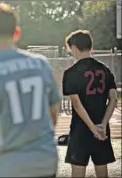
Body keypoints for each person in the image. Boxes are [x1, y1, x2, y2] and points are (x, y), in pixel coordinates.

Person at [0, 2, 61, 177]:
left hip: (10, 163)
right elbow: (53, 113)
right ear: (17, 32)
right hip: (46, 159)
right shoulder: (40, 64)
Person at [62, 30, 118, 177]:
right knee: (102, 170)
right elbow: (114, 99)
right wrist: (103, 125)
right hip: (102, 129)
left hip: (80, 129)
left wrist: (92, 128)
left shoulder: (71, 72)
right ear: (90, 46)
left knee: (78, 171)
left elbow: (76, 103)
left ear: (74, 48)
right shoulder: (105, 70)